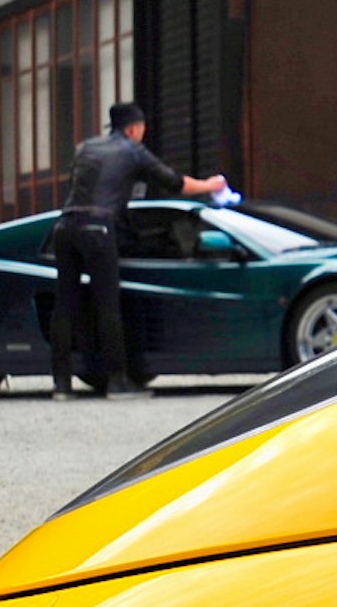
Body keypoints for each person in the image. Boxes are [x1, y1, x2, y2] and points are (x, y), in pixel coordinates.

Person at [52, 102, 234, 397]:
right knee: (107, 305)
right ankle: (117, 382)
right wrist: (210, 184)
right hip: (98, 228)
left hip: (65, 226)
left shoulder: (84, 148)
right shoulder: (133, 151)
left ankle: (61, 384)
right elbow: (174, 183)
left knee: (65, 304)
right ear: (134, 128)